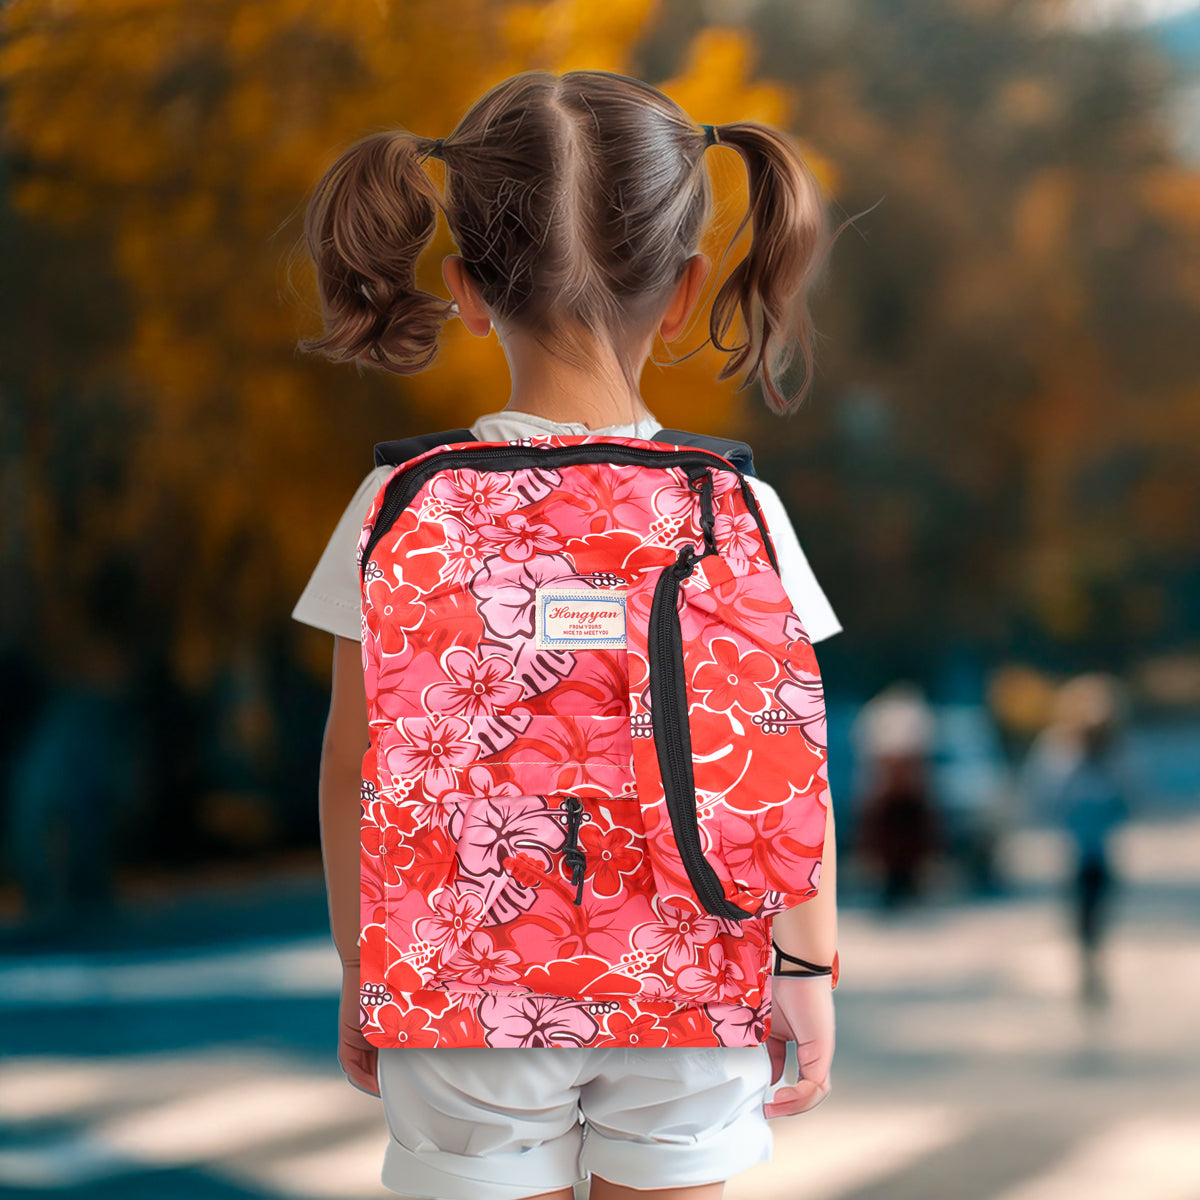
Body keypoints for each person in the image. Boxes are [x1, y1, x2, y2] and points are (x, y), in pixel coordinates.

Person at [291, 69, 843, 1200]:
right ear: (686, 292)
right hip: (692, 975)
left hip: (459, 988)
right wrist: (802, 962)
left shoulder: (398, 504)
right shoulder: (733, 506)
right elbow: (786, 758)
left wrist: (365, 964)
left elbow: (356, 764)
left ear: (466, 290)